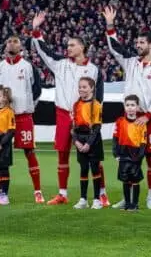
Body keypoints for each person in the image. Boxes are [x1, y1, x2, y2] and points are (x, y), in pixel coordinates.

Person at [31, 11, 109, 206]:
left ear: (82, 47)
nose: (68, 48)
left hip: (86, 117)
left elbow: (99, 98)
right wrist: (36, 30)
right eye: (67, 45)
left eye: (72, 45)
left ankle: (102, 194)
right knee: (62, 154)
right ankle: (62, 194)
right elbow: (43, 50)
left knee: (93, 156)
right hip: (63, 114)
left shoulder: (94, 70)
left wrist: (92, 116)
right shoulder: (60, 64)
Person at [103, 6, 151, 210]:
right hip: (130, 118)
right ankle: (127, 197)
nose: (138, 45)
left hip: (148, 119)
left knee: (150, 157)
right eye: (137, 42)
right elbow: (115, 47)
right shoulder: (130, 62)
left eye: (142, 42)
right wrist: (110, 25)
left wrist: (148, 115)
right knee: (127, 158)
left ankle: (150, 197)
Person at [0, 35, 44, 203]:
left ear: (21, 46)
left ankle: (37, 191)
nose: (11, 43)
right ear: (5, 45)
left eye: (15, 41)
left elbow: (37, 90)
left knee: (29, 152)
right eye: (8, 41)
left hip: (23, 116)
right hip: (3, 117)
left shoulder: (28, 67)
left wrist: (28, 105)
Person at [71, 77, 104, 210]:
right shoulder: (76, 105)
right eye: (80, 87)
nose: (81, 89)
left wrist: (89, 144)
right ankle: (83, 199)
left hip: (93, 140)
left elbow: (96, 128)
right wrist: (76, 142)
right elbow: (73, 127)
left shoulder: (96, 105)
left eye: (84, 87)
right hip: (80, 138)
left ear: (92, 88)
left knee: (95, 169)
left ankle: (97, 199)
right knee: (83, 169)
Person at [112, 95, 147, 212]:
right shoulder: (120, 121)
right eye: (127, 105)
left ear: (137, 107)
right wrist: (116, 154)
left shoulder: (141, 124)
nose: (130, 108)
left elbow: (143, 142)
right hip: (123, 154)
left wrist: (140, 157)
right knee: (125, 180)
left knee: (135, 180)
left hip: (135, 155)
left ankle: (135, 204)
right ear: (124, 107)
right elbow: (115, 139)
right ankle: (127, 204)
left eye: (133, 105)